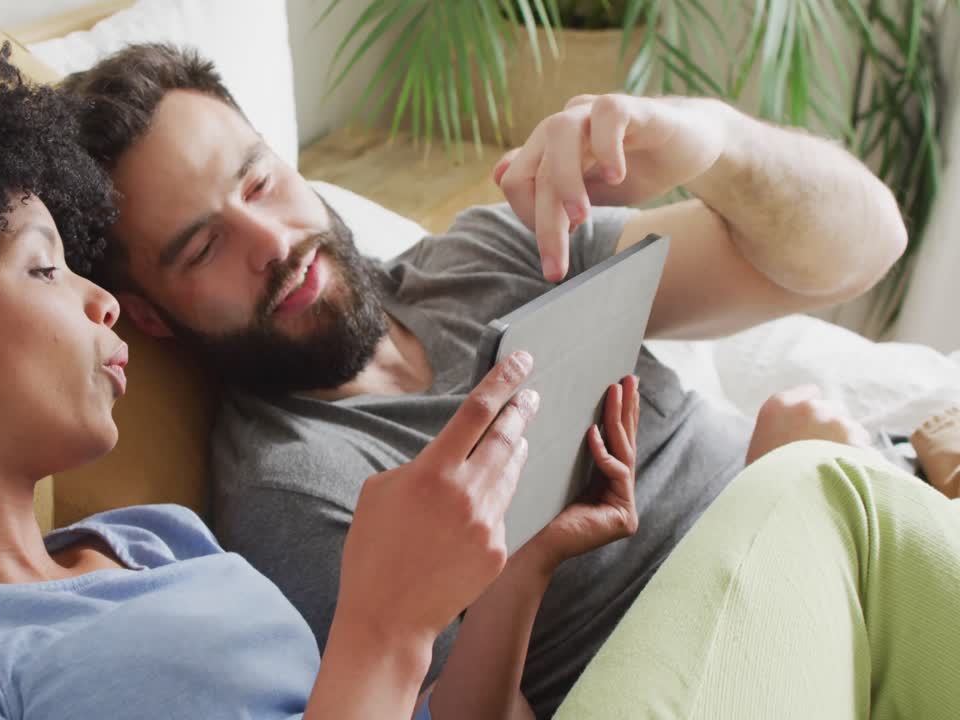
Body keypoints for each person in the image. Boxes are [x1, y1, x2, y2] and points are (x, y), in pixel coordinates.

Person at [0, 44, 647, 719]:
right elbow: (374, 672)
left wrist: (524, 562)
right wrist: (383, 630)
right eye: (44, 268)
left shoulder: (159, 540)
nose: (106, 305)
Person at [63, 43, 910, 716]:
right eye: (204, 247)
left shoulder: (488, 249)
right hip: (765, 645)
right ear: (152, 317)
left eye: (259, 180)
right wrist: (793, 497)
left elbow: (861, 250)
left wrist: (713, 141)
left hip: (863, 539)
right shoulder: (297, 488)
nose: (272, 241)